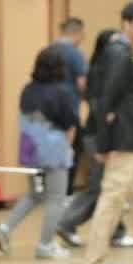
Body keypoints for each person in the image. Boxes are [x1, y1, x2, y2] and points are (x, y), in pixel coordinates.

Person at [82, 1, 133, 264]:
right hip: (122, 141)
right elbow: (106, 102)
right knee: (112, 199)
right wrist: (104, 144)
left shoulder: (128, 53)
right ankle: (94, 261)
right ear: (126, 23)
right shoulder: (119, 54)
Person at [0, 47, 78, 259]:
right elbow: (69, 122)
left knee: (34, 194)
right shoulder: (62, 91)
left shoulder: (27, 90)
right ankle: (45, 245)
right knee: (56, 198)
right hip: (54, 149)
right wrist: (70, 147)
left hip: (30, 149)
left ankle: (5, 228)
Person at [55, 26, 116, 249]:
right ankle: (67, 222)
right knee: (100, 186)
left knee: (112, 185)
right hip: (97, 134)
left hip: (93, 130)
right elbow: (94, 101)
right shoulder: (97, 71)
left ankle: (116, 230)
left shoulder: (99, 69)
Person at [52, 17, 88, 94]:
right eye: (82, 34)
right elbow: (81, 82)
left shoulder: (48, 50)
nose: (83, 38)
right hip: (68, 99)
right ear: (76, 33)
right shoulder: (76, 53)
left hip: (49, 99)